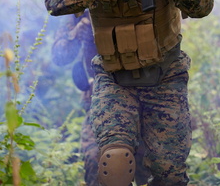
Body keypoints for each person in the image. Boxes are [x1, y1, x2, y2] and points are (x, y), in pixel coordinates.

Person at [45, 0, 214, 186]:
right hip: (114, 79)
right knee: (116, 164)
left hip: (165, 76)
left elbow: (204, 6)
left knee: (168, 175)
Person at [50, 11, 150, 186]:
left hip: (146, 95)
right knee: (99, 164)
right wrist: (77, 35)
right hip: (101, 100)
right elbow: (59, 56)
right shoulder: (83, 2)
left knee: (150, 167)